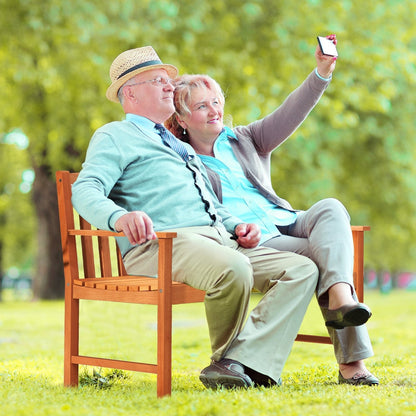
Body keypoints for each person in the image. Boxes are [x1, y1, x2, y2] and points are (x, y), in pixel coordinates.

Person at [71, 46, 320, 390]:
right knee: (234, 268)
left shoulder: (181, 146)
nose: (168, 86)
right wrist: (118, 217)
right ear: (130, 93)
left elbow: (210, 205)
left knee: (301, 269)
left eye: (168, 80)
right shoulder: (115, 135)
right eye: (157, 81)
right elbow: (84, 189)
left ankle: (240, 362)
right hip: (162, 245)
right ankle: (227, 362)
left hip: (216, 239)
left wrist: (236, 226)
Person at [166, 35, 379, 386]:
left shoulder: (246, 138)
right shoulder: (182, 160)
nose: (215, 110)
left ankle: (340, 291)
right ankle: (352, 366)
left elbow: (291, 111)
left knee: (331, 207)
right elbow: (203, 210)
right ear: (183, 118)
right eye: (203, 106)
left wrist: (321, 72)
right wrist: (236, 229)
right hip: (256, 242)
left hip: (287, 220)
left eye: (216, 101)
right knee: (325, 257)